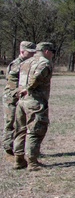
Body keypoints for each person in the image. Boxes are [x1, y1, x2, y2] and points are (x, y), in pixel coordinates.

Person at [12, 42, 54, 170]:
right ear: (46, 51)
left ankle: (19, 159)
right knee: (35, 131)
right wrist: (28, 88)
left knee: (20, 130)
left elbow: (16, 77)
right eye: (52, 51)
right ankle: (32, 162)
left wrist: (20, 91)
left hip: (22, 101)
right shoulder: (44, 63)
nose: (53, 54)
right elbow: (36, 78)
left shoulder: (26, 62)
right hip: (34, 101)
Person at [3, 41, 35, 160]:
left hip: (21, 97)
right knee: (10, 122)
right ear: (22, 51)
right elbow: (12, 83)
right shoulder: (16, 64)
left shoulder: (28, 63)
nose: (32, 54)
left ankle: (18, 150)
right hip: (11, 97)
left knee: (20, 124)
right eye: (29, 52)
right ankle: (8, 149)